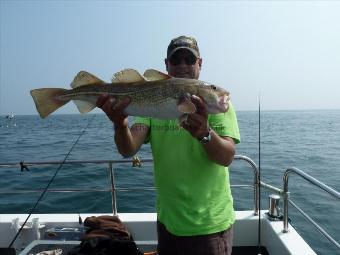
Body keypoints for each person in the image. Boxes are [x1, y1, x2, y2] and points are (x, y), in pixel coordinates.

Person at [96, 35, 241, 255]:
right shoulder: (153, 102)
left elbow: (227, 157)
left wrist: (205, 133)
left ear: (199, 64)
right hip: (167, 222)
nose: (182, 65)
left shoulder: (218, 109)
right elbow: (128, 149)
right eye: (176, 60)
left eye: (189, 60)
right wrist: (120, 124)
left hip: (209, 224)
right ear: (166, 65)